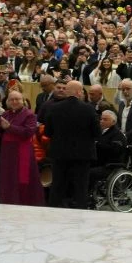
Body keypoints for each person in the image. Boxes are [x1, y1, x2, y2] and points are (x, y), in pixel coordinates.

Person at [40, 78, 99, 209]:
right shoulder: (88, 109)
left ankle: (54, 211)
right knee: (80, 187)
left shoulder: (53, 108)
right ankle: (80, 212)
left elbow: (48, 132)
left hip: (59, 154)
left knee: (57, 186)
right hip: (82, 155)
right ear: (79, 92)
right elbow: (97, 132)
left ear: (67, 92)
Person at [0, 89, 43, 206]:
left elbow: (29, 132)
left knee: (23, 180)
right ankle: (8, 201)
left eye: (17, 99)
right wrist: (2, 128)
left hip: (22, 151)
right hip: (7, 153)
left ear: (23, 101)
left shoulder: (29, 114)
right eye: (12, 99)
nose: (14, 102)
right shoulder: (5, 114)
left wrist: (9, 127)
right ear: (7, 101)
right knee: (8, 178)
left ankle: (24, 203)